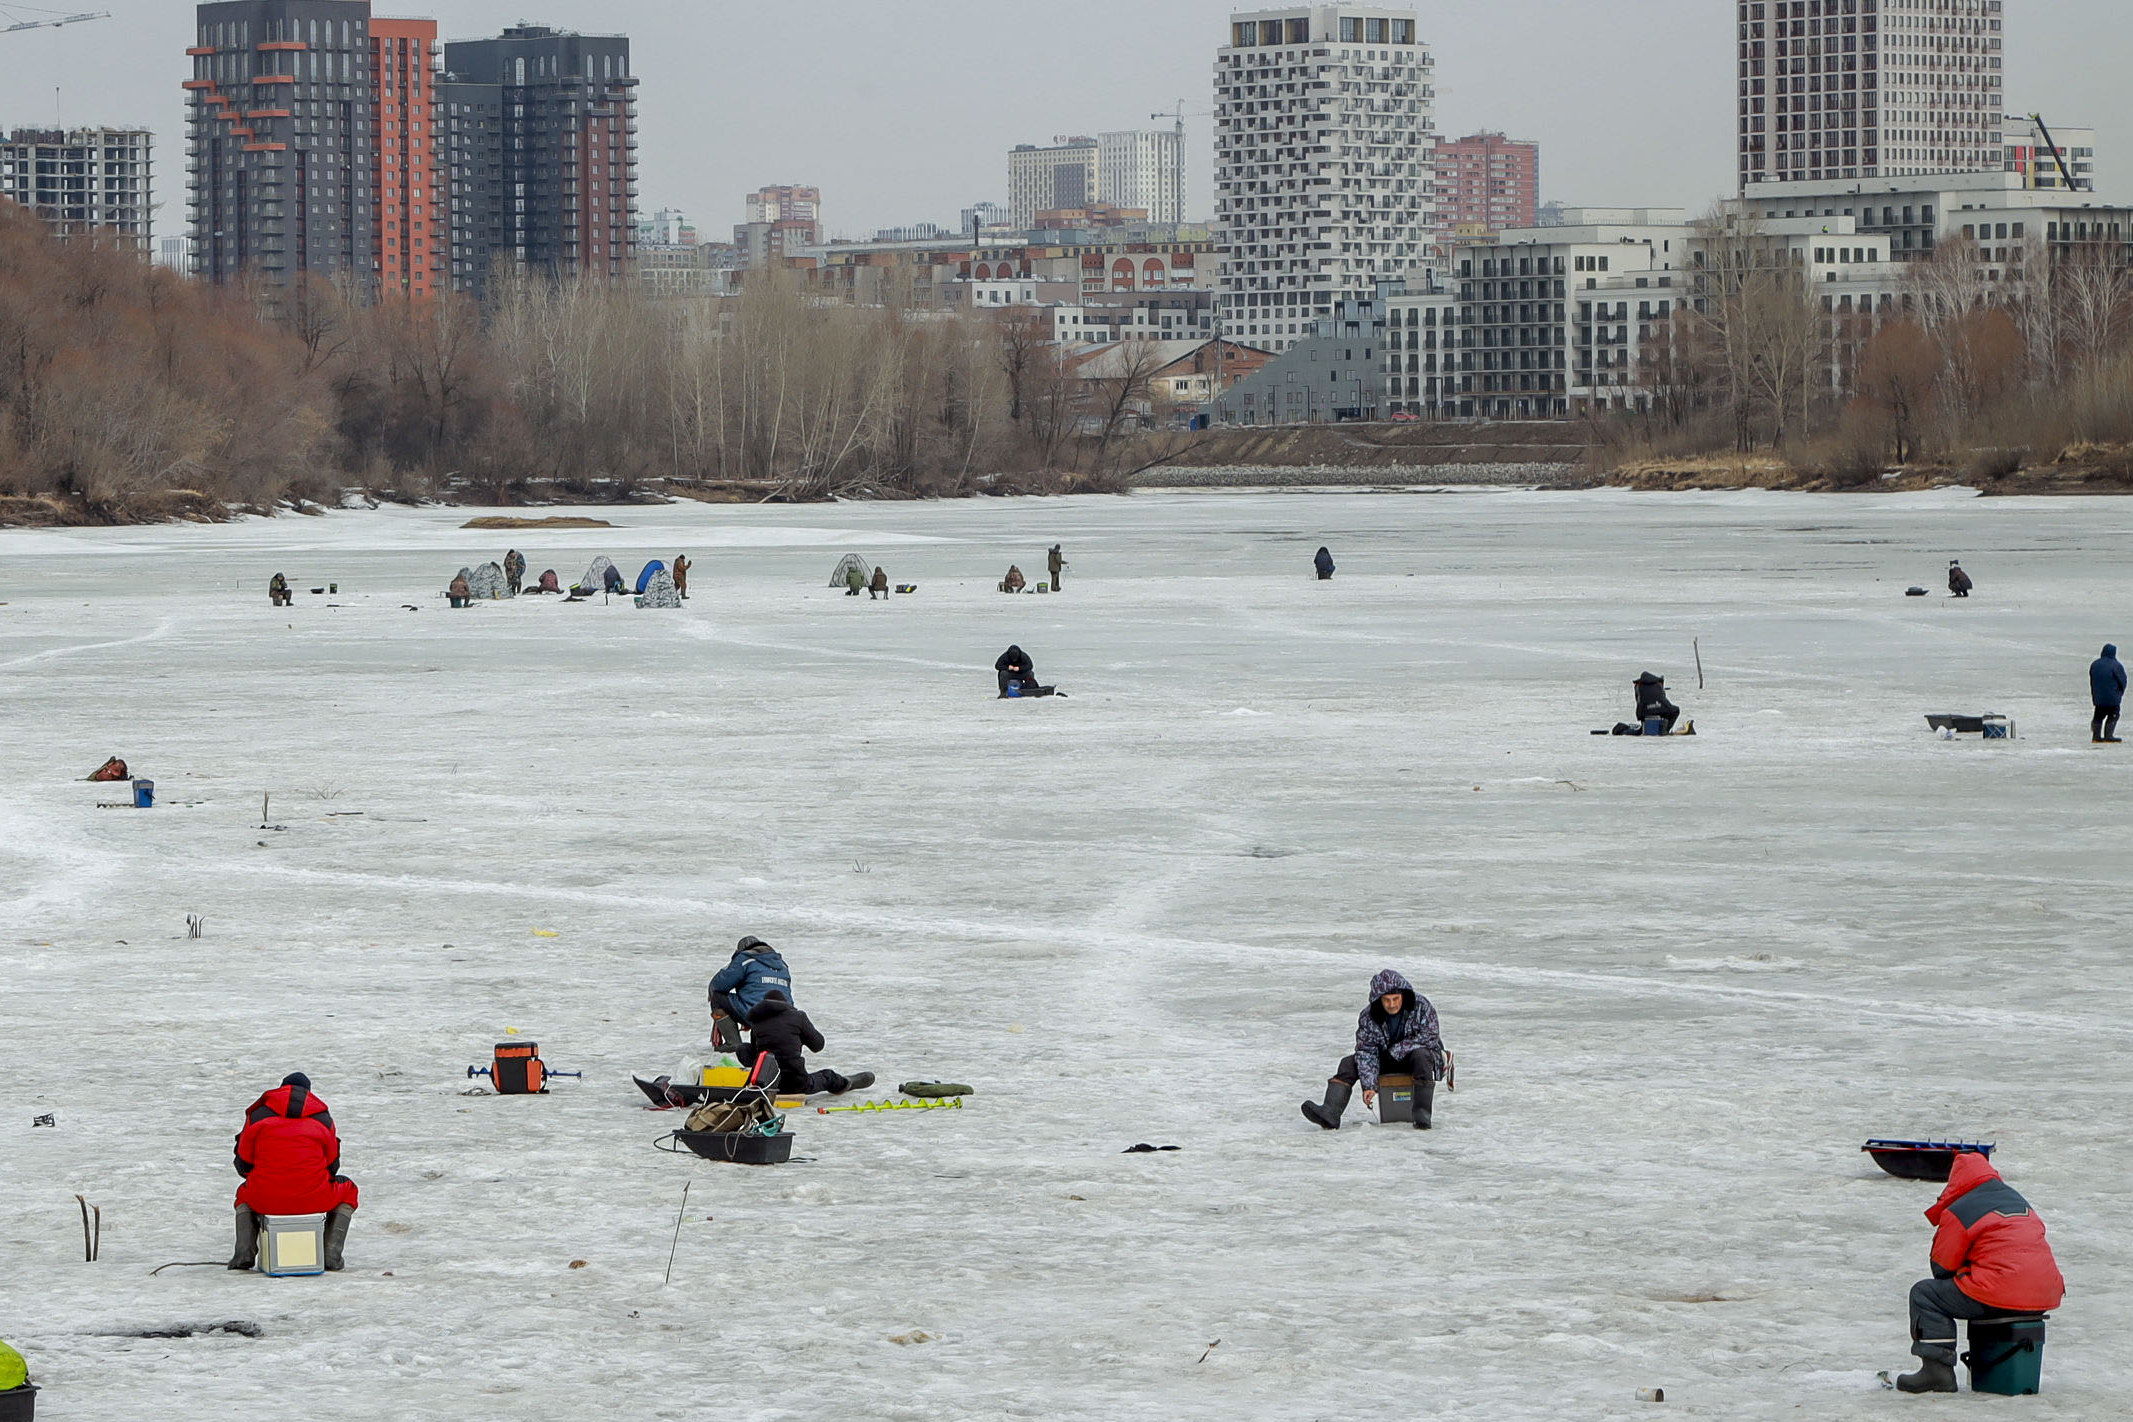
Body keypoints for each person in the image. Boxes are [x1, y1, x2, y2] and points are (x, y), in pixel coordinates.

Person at [1895, 1151, 2064, 1394]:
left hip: (2001, 1291)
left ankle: (1937, 1372)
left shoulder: (1961, 1208)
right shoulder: (2017, 1200)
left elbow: (1941, 1268)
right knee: (1985, 1287)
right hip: (2045, 1293)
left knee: (1925, 1295)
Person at [228, 1073, 358, 1272]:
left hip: (264, 1198)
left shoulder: (257, 1116)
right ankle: (331, 1254)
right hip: (315, 1197)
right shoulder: (323, 1119)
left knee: (244, 1193)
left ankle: (244, 1254)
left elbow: (243, 1164)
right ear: (308, 1093)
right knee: (349, 1190)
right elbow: (333, 1167)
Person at [1302, 970, 1445, 1131]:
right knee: (1348, 1063)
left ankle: (1422, 1118)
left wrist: (1397, 1050)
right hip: (1385, 1059)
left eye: (1395, 999)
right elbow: (1365, 1051)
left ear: (1403, 996)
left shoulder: (1422, 1006)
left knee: (1422, 1055)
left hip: (1417, 1058)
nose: (1392, 1004)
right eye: (1387, 1000)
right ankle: (1330, 1113)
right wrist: (1368, 1085)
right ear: (1379, 1000)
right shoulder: (1367, 1016)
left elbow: (1430, 1035)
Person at [739, 991, 874, 1098]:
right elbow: (818, 1045)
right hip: (795, 1083)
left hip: (767, 1084)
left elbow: (758, 1055)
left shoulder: (757, 1023)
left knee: (743, 1049)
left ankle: (754, 1080)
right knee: (827, 1076)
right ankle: (845, 1083)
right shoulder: (798, 1017)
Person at [708, 935, 794, 1052]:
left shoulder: (745, 958)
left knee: (717, 998)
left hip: (755, 1012)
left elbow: (719, 984)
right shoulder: (782, 965)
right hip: (785, 1016)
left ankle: (733, 1043)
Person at [2092, 643, 2125, 744]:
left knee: (2098, 716)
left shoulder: (2095, 664)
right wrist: (2119, 693)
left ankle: (2096, 736)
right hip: (2112, 697)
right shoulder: (2116, 665)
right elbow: (2122, 681)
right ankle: (2108, 736)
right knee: (2113, 714)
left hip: (2098, 697)